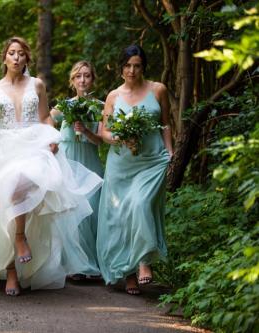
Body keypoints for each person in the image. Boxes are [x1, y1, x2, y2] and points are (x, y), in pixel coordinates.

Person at [0, 37, 103, 296]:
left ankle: (20, 238)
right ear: (4, 58)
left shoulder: (37, 85)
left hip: (33, 145)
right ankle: (11, 272)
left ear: (27, 59)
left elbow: (45, 117)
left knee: (19, 183)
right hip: (2, 149)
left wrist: (53, 138)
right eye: (12, 53)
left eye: (21, 54)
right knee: (0, 204)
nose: (16, 58)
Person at [97, 45, 173, 295]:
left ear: (143, 67)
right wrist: (120, 138)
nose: (132, 70)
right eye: (128, 65)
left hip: (152, 161)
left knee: (141, 205)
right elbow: (104, 133)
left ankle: (144, 262)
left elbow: (165, 125)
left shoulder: (157, 89)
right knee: (120, 216)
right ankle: (127, 274)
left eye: (137, 65)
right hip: (121, 164)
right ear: (121, 68)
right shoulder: (113, 96)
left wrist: (170, 152)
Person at [50, 60, 104, 280]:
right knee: (70, 208)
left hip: (89, 160)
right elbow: (45, 121)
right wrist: (51, 141)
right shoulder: (64, 106)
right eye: (78, 76)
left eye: (87, 76)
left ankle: (91, 263)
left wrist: (86, 131)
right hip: (68, 159)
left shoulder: (100, 106)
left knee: (91, 209)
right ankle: (74, 266)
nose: (83, 80)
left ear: (93, 79)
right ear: (72, 81)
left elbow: (101, 140)